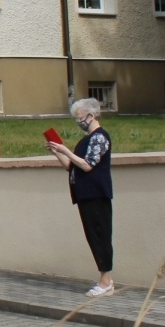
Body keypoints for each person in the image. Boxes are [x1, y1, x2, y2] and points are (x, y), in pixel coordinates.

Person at [47, 96, 114, 297]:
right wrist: (57, 151)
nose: (79, 123)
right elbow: (71, 166)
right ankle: (105, 280)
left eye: (80, 118)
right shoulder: (86, 140)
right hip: (85, 194)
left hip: (96, 194)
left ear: (92, 116)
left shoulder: (100, 137)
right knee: (93, 236)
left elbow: (87, 164)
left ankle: (106, 281)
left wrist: (66, 150)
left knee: (100, 235)